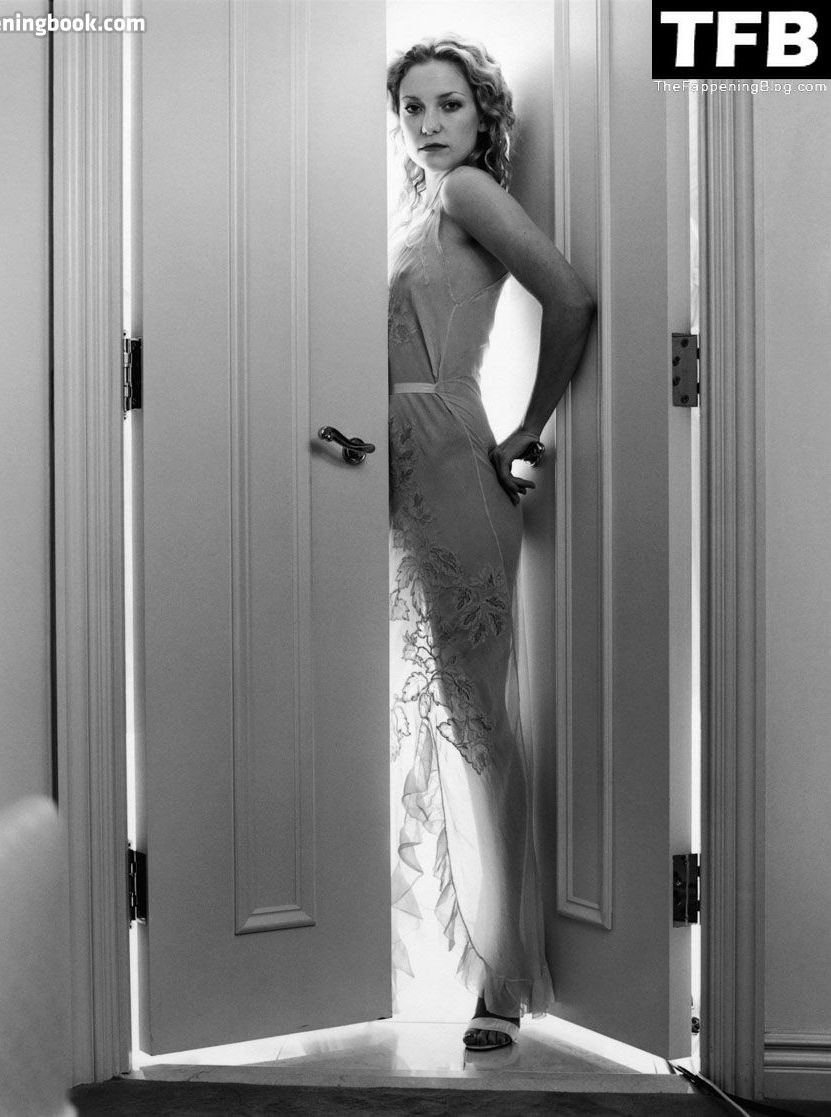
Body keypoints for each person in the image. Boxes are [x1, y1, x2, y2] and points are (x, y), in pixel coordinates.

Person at [387, 35, 595, 1051]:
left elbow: (571, 296)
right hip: (394, 461)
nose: (430, 125)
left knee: (477, 720)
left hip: (450, 457)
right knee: (439, 710)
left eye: (449, 105)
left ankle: (503, 979)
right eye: (413, 108)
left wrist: (527, 428)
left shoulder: (468, 191)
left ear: (483, 116)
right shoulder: (420, 205)